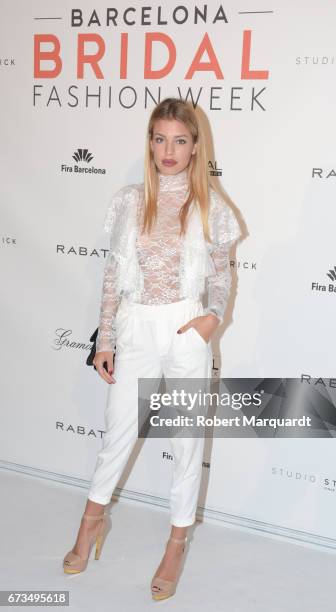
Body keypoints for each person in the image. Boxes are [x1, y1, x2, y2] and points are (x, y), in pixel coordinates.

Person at [62, 97, 241, 600]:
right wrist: (107, 339)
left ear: (194, 147)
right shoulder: (127, 200)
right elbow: (114, 275)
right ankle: (91, 523)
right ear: (149, 143)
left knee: (185, 443)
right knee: (117, 432)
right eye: (159, 138)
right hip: (136, 325)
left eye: (179, 140)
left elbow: (223, 271)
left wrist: (211, 318)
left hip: (186, 327)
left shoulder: (212, 207)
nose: (168, 150)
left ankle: (177, 540)